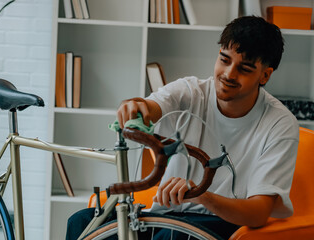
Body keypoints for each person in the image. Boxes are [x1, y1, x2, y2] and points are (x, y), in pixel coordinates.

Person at [66, 16, 299, 239]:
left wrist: (201, 195)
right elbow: (153, 106)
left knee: (173, 234)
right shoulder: (189, 91)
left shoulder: (279, 124)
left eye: (245, 69)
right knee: (81, 222)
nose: (229, 74)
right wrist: (136, 107)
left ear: (265, 76)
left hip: (222, 222)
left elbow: (258, 213)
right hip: (165, 216)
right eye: (224, 60)